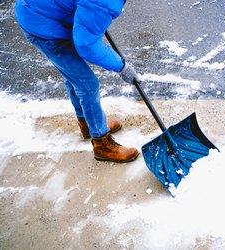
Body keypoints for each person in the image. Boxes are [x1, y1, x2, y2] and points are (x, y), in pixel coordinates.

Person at [15, 0, 139, 163]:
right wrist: (121, 67)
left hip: (42, 11)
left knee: (75, 76)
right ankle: (102, 144)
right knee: (87, 83)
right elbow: (86, 45)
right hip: (42, 25)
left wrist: (90, 15)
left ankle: (88, 124)